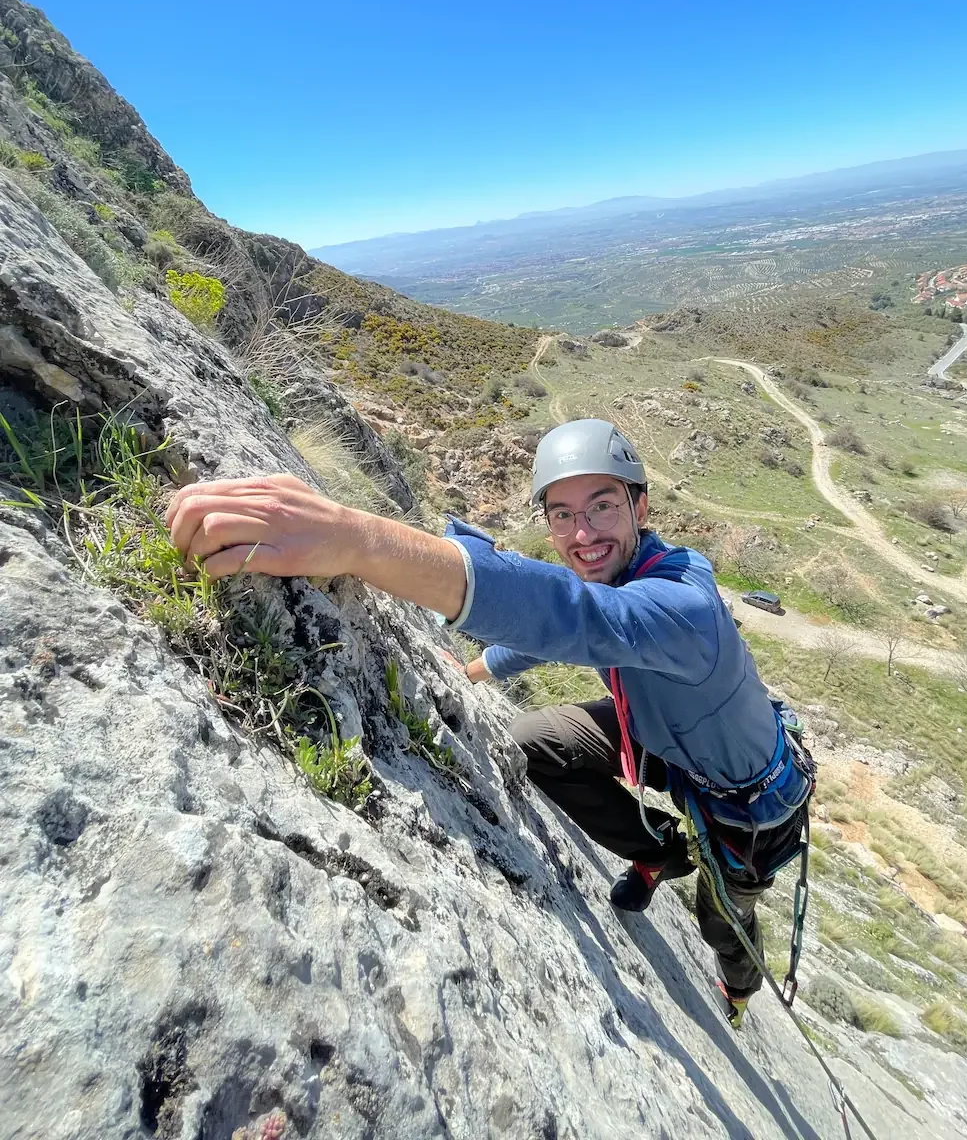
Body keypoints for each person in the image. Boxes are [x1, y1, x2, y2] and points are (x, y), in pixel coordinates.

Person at [166, 418, 811, 1027]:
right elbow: (567, 626)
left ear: (641, 509)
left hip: (743, 800)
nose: (582, 533)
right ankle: (661, 852)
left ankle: (739, 986)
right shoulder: (627, 575)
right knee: (530, 746)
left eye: (603, 506)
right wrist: (475, 671)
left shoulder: (685, 604)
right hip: (658, 734)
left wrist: (357, 541)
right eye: (563, 515)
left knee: (722, 916)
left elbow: (581, 617)